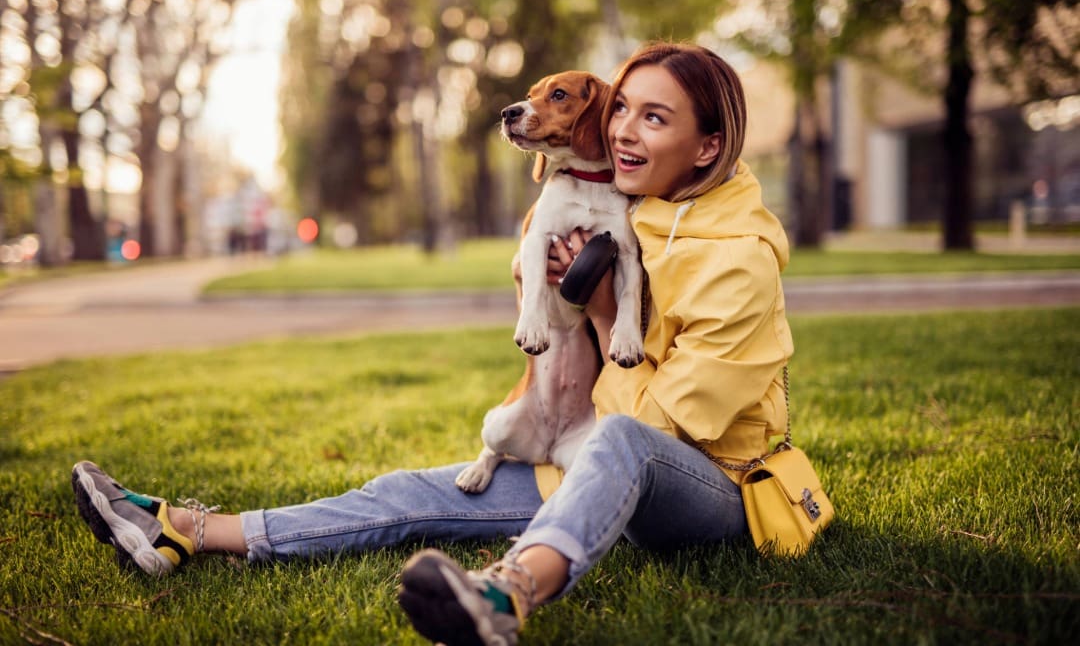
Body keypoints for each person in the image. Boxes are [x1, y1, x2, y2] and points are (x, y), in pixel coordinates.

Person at [71, 41, 794, 646]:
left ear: (707, 147)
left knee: (622, 444)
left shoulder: (740, 254)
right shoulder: (634, 207)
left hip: (713, 490)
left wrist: (604, 314)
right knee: (410, 492)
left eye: (655, 118)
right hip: (589, 460)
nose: (622, 131)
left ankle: (506, 594)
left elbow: (671, 426)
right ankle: (184, 531)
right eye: (624, 110)